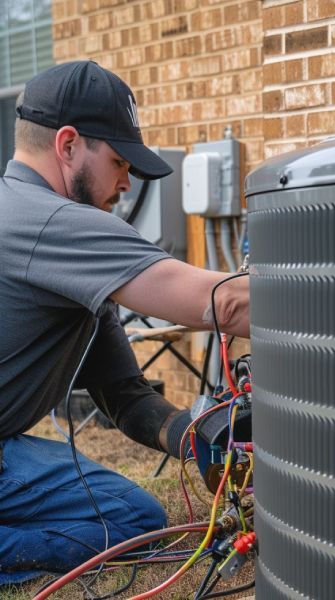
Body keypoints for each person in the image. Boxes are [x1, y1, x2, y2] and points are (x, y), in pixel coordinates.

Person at [0, 60, 249, 584]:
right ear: (68, 145)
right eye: (119, 161)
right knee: (131, 519)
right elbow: (226, 305)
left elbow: (126, 398)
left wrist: (208, 440)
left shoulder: (25, 221)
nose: (126, 184)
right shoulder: (52, 222)